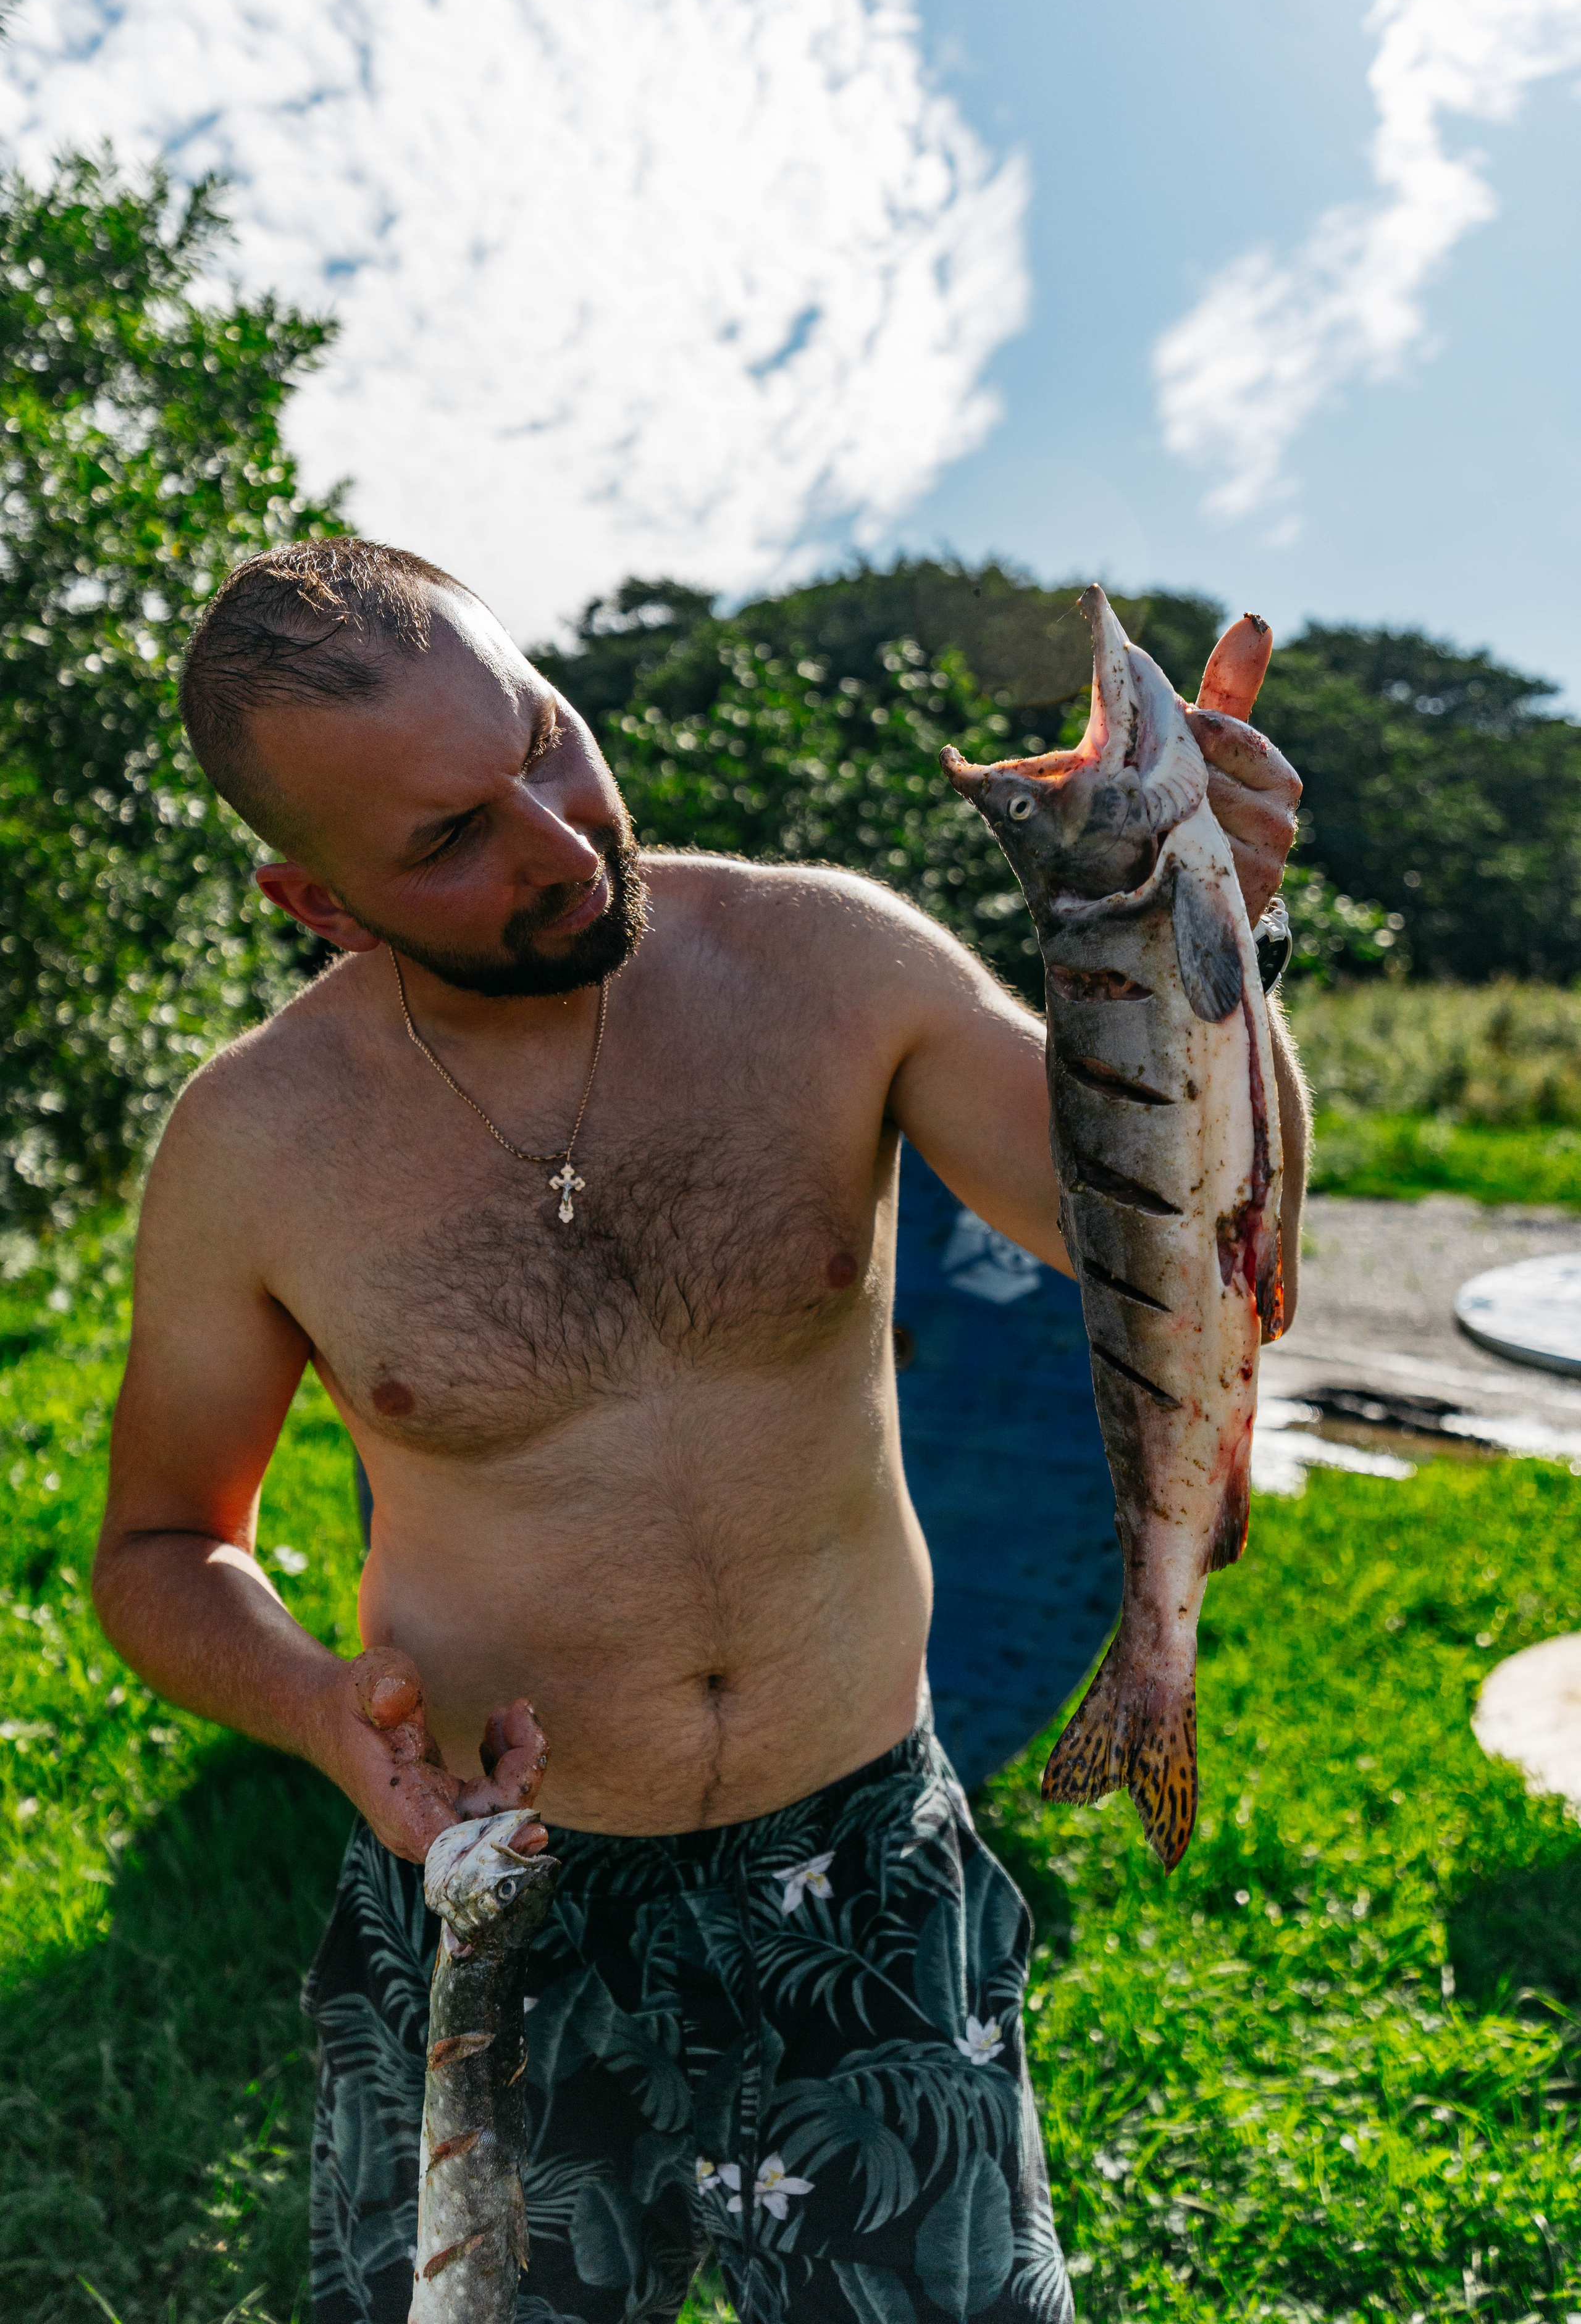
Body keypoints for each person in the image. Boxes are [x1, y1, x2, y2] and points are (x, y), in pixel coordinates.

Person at [93, 539, 1307, 2324]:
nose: (565, 841)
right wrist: (309, 1707)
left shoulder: (829, 962)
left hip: (870, 1873)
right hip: (501, 1897)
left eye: (545, 743)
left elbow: (1169, 1220)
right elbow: (151, 1544)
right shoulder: (254, 1146)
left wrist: (1203, 935)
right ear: (320, 903)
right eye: (449, 840)